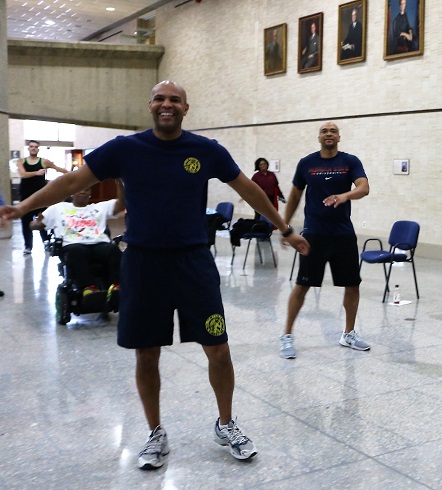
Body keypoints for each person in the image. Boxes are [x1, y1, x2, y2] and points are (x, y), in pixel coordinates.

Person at [0, 81, 309, 471]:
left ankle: (226, 423)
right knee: (147, 353)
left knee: (219, 348)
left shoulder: (206, 150)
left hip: (193, 263)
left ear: (186, 108)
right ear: (150, 106)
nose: (167, 105)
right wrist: (22, 207)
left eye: (174, 100)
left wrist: (284, 229)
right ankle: (155, 433)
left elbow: (248, 191)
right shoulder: (125, 149)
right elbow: (71, 182)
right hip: (143, 264)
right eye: (160, 99)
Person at [279, 121, 370, 359]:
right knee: (303, 285)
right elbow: (295, 195)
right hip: (313, 235)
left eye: (332, 131)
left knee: (352, 285)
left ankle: (348, 333)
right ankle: (287, 335)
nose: (328, 134)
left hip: (343, 235)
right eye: (324, 131)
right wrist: (284, 226)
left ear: (339, 137)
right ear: (319, 137)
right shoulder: (306, 163)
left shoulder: (350, 161)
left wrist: (345, 195)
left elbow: (364, 188)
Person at [30, 182, 125, 300]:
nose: (83, 192)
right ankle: (88, 288)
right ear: (72, 193)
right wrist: (36, 223)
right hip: (73, 245)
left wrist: (119, 183)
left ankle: (115, 286)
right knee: (77, 250)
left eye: (87, 190)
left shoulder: (99, 208)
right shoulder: (58, 208)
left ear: (90, 193)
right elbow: (35, 225)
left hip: (98, 244)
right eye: (79, 189)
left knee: (113, 249)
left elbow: (121, 204)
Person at [16, 140, 69, 254]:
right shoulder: (21, 161)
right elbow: (23, 174)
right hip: (25, 197)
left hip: (41, 197)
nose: (33, 148)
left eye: (35, 147)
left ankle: (47, 242)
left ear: (38, 149)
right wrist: (36, 172)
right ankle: (28, 246)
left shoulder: (44, 162)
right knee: (26, 221)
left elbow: (59, 169)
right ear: (28, 148)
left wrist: (73, 174)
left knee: (43, 220)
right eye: (31, 146)